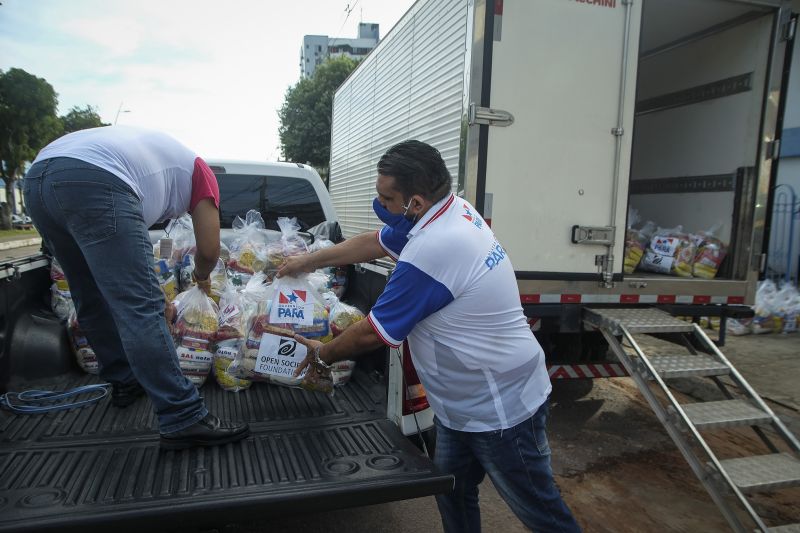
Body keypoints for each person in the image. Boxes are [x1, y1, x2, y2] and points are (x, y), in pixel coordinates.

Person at [278, 140, 581, 532]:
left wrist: (323, 354)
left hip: (500, 410)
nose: (381, 205)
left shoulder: (436, 246)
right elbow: (375, 241)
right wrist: (307, 260)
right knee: (453, 492)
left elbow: (373, 334)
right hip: (461, 405)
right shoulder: (451, 211)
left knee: (541, 512)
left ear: (415, 202)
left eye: (387, 198)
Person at [23, 125, 249, 449]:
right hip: (94, 179)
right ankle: (183, 415)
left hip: (39, 178)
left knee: (88, 294)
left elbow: (119, 265)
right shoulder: (200, 171)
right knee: (141, 308)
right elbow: (210, 250)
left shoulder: (151, 166)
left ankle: (124, 380)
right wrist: (200, 278)